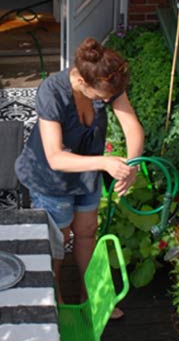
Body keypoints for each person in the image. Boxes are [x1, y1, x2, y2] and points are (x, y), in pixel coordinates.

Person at [15, 37, 144, 312]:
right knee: (58, 241)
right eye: (101, 98)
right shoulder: (52, 92)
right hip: (50, 178)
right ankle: (56, 298)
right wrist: (105, 163)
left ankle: (90, 296)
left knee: (87, 231)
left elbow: (131, 125)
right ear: (84, 83)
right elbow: (55, 157)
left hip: (88, 173)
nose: (107, 101)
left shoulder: (107, 81)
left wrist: (132, 165)